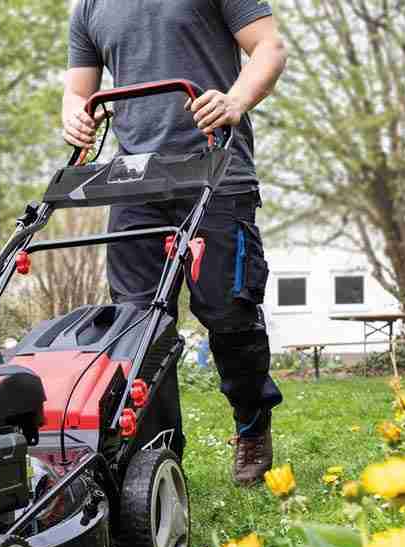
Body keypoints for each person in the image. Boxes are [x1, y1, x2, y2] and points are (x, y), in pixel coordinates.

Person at [63, 0, 288, 485]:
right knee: (139, 326)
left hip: (216, 169)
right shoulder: (89, 8)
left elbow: (268, 48)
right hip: (134, 182)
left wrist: (235, 101)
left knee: (229, 310)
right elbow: (78, 91)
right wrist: (75, 117)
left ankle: (252, 423)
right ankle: (156, 457)